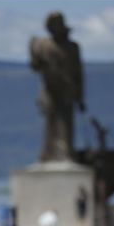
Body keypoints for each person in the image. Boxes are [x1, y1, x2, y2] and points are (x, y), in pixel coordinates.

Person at [29, 11, 86, 162]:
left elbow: (78, 73)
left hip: (67, 91)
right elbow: (36, 67)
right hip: (49, 90)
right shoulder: (42, 45)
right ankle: (48, 154)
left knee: (66, 125)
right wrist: (33, 52)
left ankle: (66, 154)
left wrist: (80, 98)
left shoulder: (72, 47)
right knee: (50, 125)